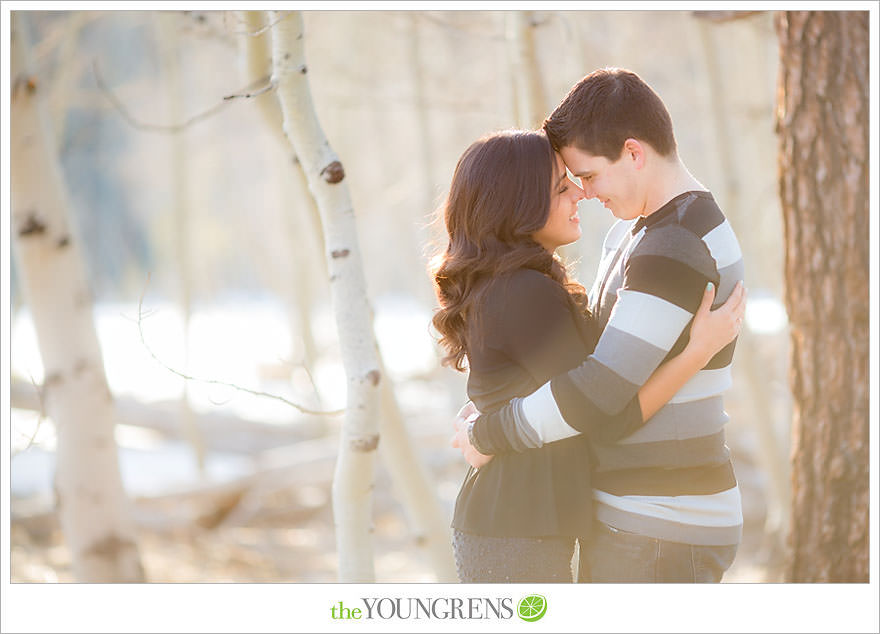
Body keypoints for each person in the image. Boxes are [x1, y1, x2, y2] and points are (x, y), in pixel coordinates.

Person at [455, 68, 747, 583]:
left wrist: (489, 431)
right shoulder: (636, 233)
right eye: (569, 183)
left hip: (663, 520)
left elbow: (599, 399)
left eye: (587, 176)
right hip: (643, 513)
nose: (584, 194)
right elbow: (584, 366)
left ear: (633, 153)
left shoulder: (672, 245)